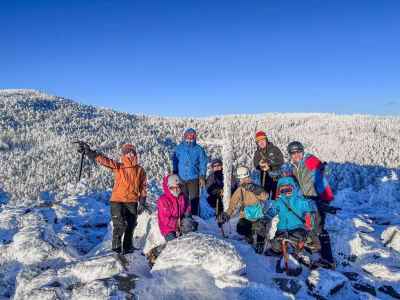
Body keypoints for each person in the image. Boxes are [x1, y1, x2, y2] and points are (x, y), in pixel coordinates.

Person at [78, 142, 147, 255]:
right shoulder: (119, 167)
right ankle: (116, 249)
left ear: (135, 154)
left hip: (132, 201)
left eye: (132, 152)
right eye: (127, 152)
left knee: (131, 225)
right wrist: (91, 153)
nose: (130, 154)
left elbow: (143, 186)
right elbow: (106, 161)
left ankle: (128, 248)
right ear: (123, 155)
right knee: (119, 225)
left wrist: (142, 201)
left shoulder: (140, 170)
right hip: (117, 201)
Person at [287, 141, 336, 269]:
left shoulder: (309, 160)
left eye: (298, 152)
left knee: (319, 227)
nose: (296, 155)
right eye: (293, 153)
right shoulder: (294, 167)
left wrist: (322, 167)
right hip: (308, 199)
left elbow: (323, 168)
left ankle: (328, 260)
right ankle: (314, 246)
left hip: (319, 196)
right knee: (308, 223)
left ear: (302, 152)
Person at [147, 174, 197, 266]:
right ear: (169, 187)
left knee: (187, 240)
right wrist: (176, 224)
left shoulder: (183, 197)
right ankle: (155, 252)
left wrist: (187, 220)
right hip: (167, 228)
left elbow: (187, 210)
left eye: (179, 187)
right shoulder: (163, 200)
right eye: (174, 188)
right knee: (173, 245)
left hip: (179, 224)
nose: (177, 190)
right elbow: (164, 219)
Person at [221, 166, 268, 253]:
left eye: (246, 178)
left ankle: (260, 245)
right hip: (246, 216)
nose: (244, 181)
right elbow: (232, 204)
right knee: (240, 227)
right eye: (242, 179)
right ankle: (249, 237)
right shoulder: (240, 190)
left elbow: (265, 197)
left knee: (261, 229)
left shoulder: (256, 187)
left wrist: (256, 190)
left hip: (258, 216)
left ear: (249, 177)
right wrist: (227, 214)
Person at [263, 176, 315, 256]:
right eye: (283, 190)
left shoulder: (299, 201)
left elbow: (309, 210)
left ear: (293, 188)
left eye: (288, 189)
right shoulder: (278, 202)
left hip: (297, 227)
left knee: (297, 240)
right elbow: (271, 212)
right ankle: (278, 250)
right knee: (276, 244)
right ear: (279, 191)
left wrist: (309, 219)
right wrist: (266, 217)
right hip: (282, 229)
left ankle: (299, 253)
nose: (286, 192)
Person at [172, 128, 208, 216]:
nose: (190, 139)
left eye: (192, 137)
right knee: (183, 199)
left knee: (194, 200)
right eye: (188, 137)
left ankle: (195, 217)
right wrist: (175, 172)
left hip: (194, 178)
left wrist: (202, 176)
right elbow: (175, 160)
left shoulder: (199, 149)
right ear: (185, 137)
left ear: (195, 137)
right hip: (182, 178)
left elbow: (203, 163)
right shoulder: (179, 148)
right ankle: (183, 217)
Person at [206, 158, 237, 232]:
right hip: (217, 196)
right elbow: (209, 188)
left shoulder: (227, 174)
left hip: (228, 195)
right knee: (216, 201)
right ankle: (219, 220)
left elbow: (233, 184)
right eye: (215, 166)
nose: (217, 167)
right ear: (213, 168)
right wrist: (218, 191)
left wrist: (226, 191)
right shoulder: (211, 176)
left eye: (218, 165)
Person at [253, 130, 284, 199]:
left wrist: (269, 164)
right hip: (264, 177)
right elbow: (255, 164)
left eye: (262, 140)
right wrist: (260, 166)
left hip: (275, 177)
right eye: (259, 141)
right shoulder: (257, 153)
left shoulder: (274, 149)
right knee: (265, 197)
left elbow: (281, 161)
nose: (261, 142)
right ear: (257, 143)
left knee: (276, 197)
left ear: (266, 140)